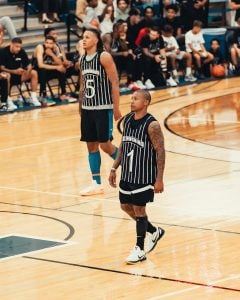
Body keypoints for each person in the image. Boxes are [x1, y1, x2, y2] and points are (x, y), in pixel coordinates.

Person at [109, 89, 165, 264]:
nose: (131, 101)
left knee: (140, 210)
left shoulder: (152, 125)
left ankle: (139, 249)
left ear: (146, 102)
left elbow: (160, 151)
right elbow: (123, 144)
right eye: (131, 98)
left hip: (144, 175)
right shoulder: (128, 120)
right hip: (127, 174)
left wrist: (159, 178)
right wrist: (114, 167)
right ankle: (153, 231)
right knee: (125, 206)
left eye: (136, 99)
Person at [79, 27, 122, 196]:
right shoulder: (83, 59)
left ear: (96, 40)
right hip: (88, 109)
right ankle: (96, 184)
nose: (84, 40)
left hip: (103, 108)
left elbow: (115, 82)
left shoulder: (103, 57)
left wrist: (116, 107)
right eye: (83, 37)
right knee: (91, 146)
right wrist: (80, 104)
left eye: (88, 37)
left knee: (105, 145)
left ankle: (130, 164)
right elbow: (83, 83)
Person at [0, 37, 41, 108]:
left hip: (18, 76)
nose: (18, 49)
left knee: (34, 72)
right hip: (6, 77)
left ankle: (33, 97)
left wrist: (28, 69)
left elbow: (28, 64)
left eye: (20, 47)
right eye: (17, 47)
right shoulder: (3, 52)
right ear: (11, 45)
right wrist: (14, 71)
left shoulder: (21, 51)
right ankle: (8, 100)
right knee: (7, 75)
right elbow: (2, 68)